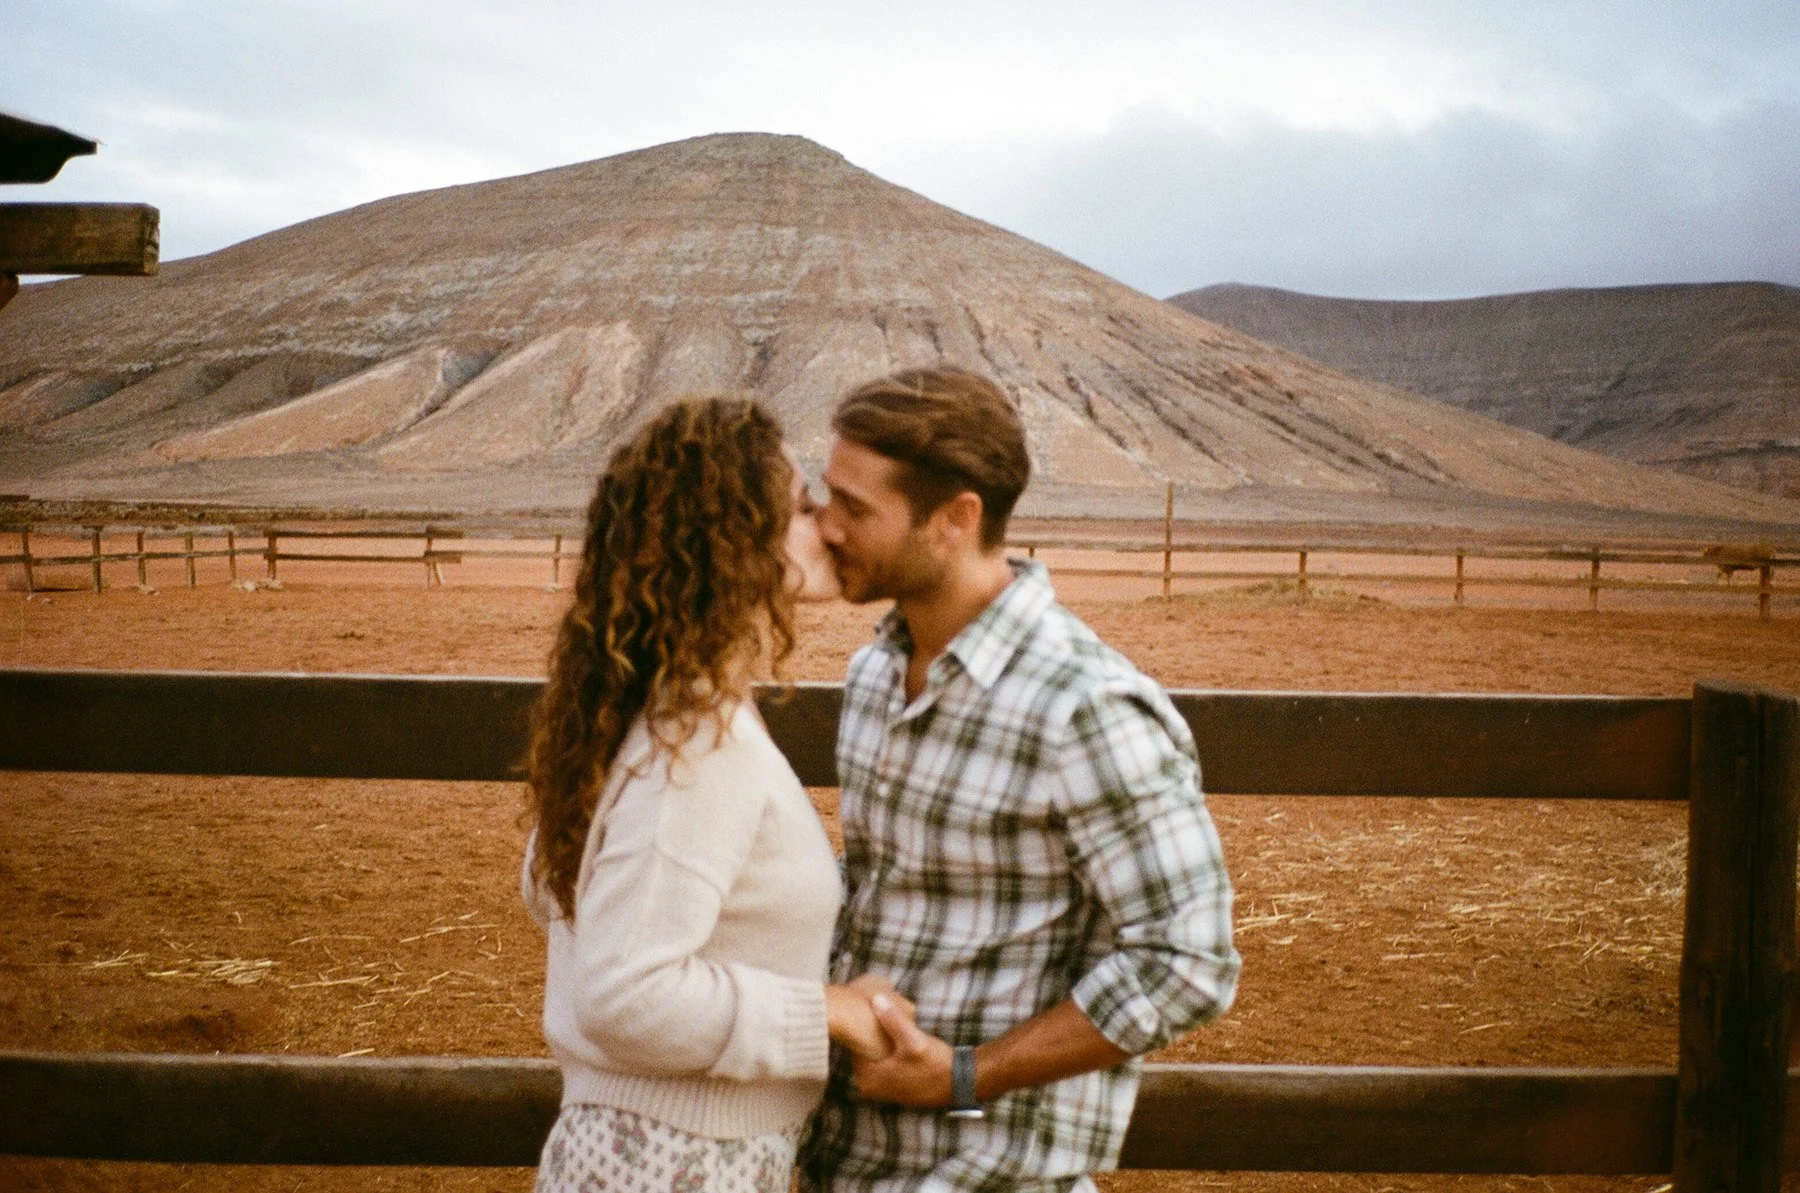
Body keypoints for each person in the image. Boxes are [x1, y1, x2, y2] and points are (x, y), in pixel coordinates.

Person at [798, 367, 1241, 1193]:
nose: (825, 527)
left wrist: (966, 1073)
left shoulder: (1084, 706)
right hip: (845, 1162)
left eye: (855, 507)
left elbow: (1189, 958)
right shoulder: (871, 676)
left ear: (955, 519)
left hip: (989, 1173)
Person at [521, 396, 893, 1193]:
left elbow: (571, 898)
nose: (826, 524)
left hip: (659, 1152)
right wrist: (827, 1010)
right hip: (676, 1160)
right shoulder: (698, 744)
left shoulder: (658, 711)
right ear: (733, 544)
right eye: (800, 506)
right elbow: (624, 993)